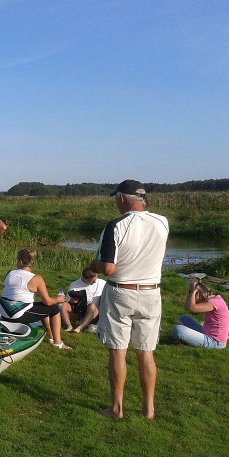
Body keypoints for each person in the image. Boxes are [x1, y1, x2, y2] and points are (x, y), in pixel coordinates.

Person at [90, 179, 169, 419]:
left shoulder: (115, 226)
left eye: (117, 198)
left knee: (118, 351)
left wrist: (91, 265)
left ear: (122, 199)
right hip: (151, 292)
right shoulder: (162, 222)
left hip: (121, 291)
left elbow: (108, 268)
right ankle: (148, 409)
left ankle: (116, 408)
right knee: (146, 352)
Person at [0, 248, 69, 348]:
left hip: (4, 313)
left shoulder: (10, 273)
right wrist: (59, 299)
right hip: (16, 316)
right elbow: (48, 301)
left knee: (42, 307)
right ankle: (58, 342)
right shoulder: (37, 278)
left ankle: (51, 336)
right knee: (54, 308)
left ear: (20, 261)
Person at [171, 278, 229, 349]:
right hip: (205, 331)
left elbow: (191, 308)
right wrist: (190, 292)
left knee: (178, 329)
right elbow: (187, 307)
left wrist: (193, 292)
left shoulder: (214, 302)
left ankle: (187, 340)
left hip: (215, 341)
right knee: (183, 318)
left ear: (198, 296)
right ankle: (190, 339)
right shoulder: (212, 300)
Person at [61, 266, 106, 333]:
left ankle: (80, 327)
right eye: (93, 281)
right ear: (86, 279)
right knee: (64, 305)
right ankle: (69, 326)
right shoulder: (75, 284)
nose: (95, 282)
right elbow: (67, 300)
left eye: (96, 279)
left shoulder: (102, 283)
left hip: (94, 312)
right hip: (78, 310)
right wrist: (72, 300)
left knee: (92, 306)